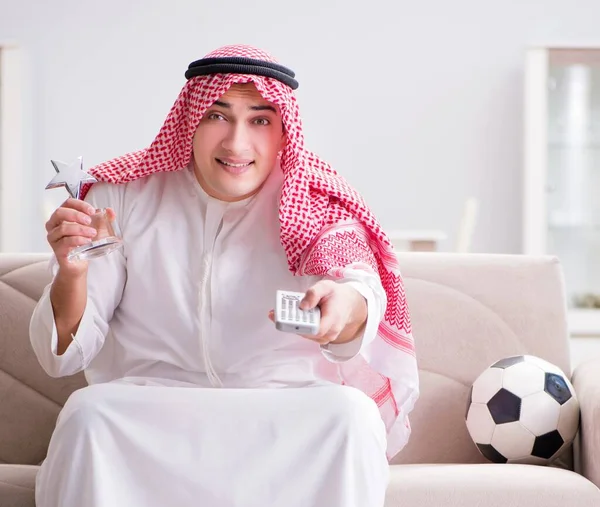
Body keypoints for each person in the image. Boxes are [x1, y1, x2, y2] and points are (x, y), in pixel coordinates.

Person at [29, 44, 419, 507]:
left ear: (282, 131)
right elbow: (65, 357)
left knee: (349, 416)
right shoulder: (122, 196)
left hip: (282, 411)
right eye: (217, 116)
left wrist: (344, 310)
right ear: (190, 120)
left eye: (259, 120)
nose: (236, 143)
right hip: (154, 411)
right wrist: (72, 273)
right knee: (88, 415)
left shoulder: (316, 203)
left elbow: (358, 287)